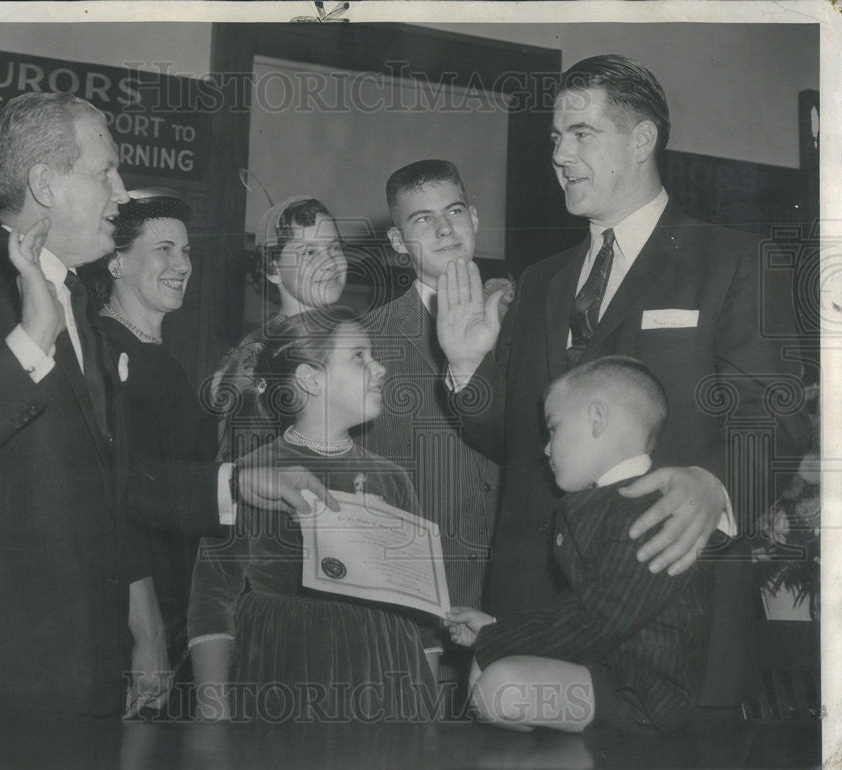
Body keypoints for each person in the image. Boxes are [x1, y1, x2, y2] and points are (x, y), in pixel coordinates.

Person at [0, 92, 332, 718]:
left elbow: (116, 486)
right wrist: (31, 337)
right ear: (44, 183)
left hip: (86, 674)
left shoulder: (81, 308)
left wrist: (241, 483)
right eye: (105, 172)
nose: (122, 193)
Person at [437, 55, 811, 709]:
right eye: (555, 138)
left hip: (675, 625)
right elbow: (520, 438)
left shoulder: (733, 261)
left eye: (581, 133)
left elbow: (775, 415)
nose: (560, 154)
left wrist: (715, 483)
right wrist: (467, 367)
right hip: (531, 616)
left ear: (643, 140)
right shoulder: (541, 282)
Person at [189, 308, 441, 721]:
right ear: (310, 379)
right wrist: (213, 710)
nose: (379, 367)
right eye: (359, 356)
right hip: (285, 672)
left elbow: (422, 613)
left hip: (384, 678)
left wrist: (430, 715)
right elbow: (212, 599)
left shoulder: (393, 479)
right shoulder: (251, 476)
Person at [446, 357, 712, 733]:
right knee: (492, 679)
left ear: (597, 419)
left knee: (498, 685)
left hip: (642, 697)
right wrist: (494, 626)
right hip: (602, 672)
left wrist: (493, 639)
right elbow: (575, 615)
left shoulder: (650, 514)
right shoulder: (604, 504)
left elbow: (596, 623)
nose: (546, 449)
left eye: (553, 429)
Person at [359, 160, 511, 706]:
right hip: (418, 608)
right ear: (399, 241)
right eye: (423, 220)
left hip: (517, 597)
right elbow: (362, 490)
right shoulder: (366, 342)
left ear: (474, 217)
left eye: (453, 212)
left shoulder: (525, 317)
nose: (445, 229)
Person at [79, 187, 219, 715]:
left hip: (171, 610)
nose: (181, 263)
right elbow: (119, 506)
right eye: (164, 249)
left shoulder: (160, 359)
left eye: (185, 251)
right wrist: (150, 635)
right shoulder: (111, 353)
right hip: (132, 623)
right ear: (115, 262)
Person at [210, 196, 347, 462]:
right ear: (274, 269)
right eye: (309, 252)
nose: (330, 262)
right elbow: (240, 466)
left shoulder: (348, 343)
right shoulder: (255, 356)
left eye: (335, 248)